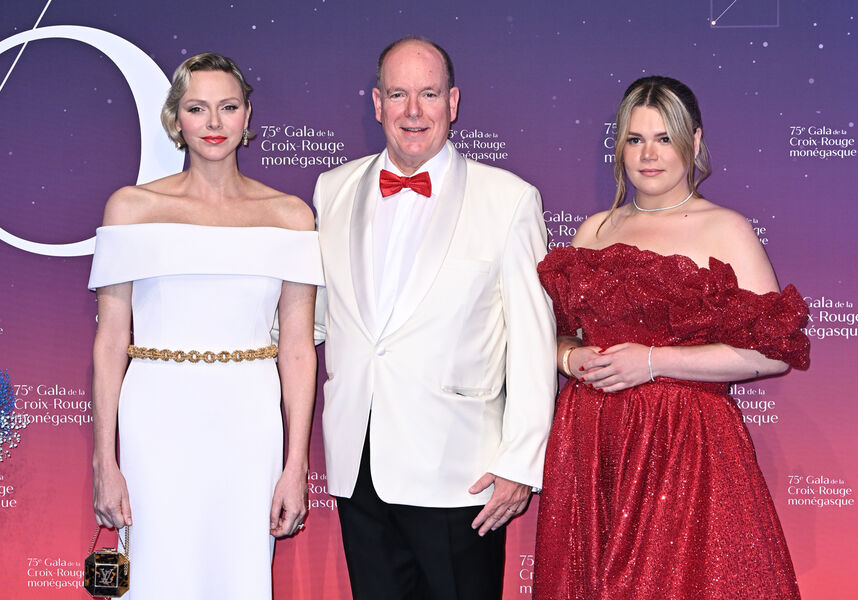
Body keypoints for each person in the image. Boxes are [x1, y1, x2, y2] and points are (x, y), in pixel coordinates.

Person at [532, 76, 810, 599]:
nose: (648, 155)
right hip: (591, 444)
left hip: (685, 448)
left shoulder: (726, 229)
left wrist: (653, 362)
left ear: (695, 141)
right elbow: (553, 335)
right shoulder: (593, 231)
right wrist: (570, 359)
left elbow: (772, 354)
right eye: (635, 139)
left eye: (664, 138)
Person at [312, 36, 557, 600]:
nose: (413, 111)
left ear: (453, 101)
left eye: (428, 93)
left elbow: (533, 339)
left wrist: (521, 461)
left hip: (460, 473)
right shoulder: (332, 189)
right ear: (377, 103)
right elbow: (318, 318)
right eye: (398, 94)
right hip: (359, 467)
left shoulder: (509, 200)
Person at [88, 52, 322, 599]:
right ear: (176, 118)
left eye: (228, 107)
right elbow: (110, 342)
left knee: (238, 573)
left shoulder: (291, 216)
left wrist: (295, 465)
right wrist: (104, 459)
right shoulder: (131, 209)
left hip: (248, 420)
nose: (214, 123)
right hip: (155, 418)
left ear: (247, 116)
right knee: (155, 570)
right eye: (197, 108)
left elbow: (297, 351)